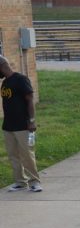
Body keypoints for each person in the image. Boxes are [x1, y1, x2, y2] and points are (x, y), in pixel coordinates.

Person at [0, 55, 41, 192]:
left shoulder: (21, 80)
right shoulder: (5, 83)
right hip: (8, 126)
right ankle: (20, 182)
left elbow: (30, 101)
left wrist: (31, 121)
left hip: (23, 125)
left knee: (27, 154)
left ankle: (34, 182)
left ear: (2, 66)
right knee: (13, 156)